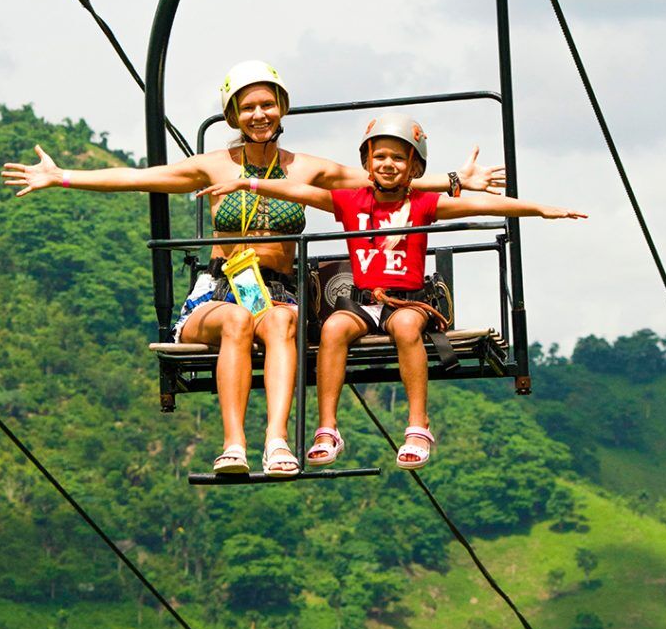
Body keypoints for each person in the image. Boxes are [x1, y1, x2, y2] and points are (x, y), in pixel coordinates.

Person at [2, 64, 505, 477]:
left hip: (277, 289)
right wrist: (63, 176)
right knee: (239, 323)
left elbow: (383, 180)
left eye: (268, 104)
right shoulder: (214, 166)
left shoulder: (306, 168)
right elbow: (139, 177)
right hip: (221, 289)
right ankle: (234, 445)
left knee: (282, 320)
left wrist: (459, 180)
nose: (260, 114)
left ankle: (277, 442)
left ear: (281, 108)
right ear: (234, 115)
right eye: (249, 107)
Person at [199, 112, 586, 471]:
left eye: (398, 159)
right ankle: (328, 427)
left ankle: (418, 424)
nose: (388, 164)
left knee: (404, 328)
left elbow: (480, 205)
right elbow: (297, 192)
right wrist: (246, 182)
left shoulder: (422, 204)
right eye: (379, 157)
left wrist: (541, 209)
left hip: (409, 300)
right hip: (366, 301)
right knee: (334, 328)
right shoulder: (350, 202)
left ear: (415, 168)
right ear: (367, 164)